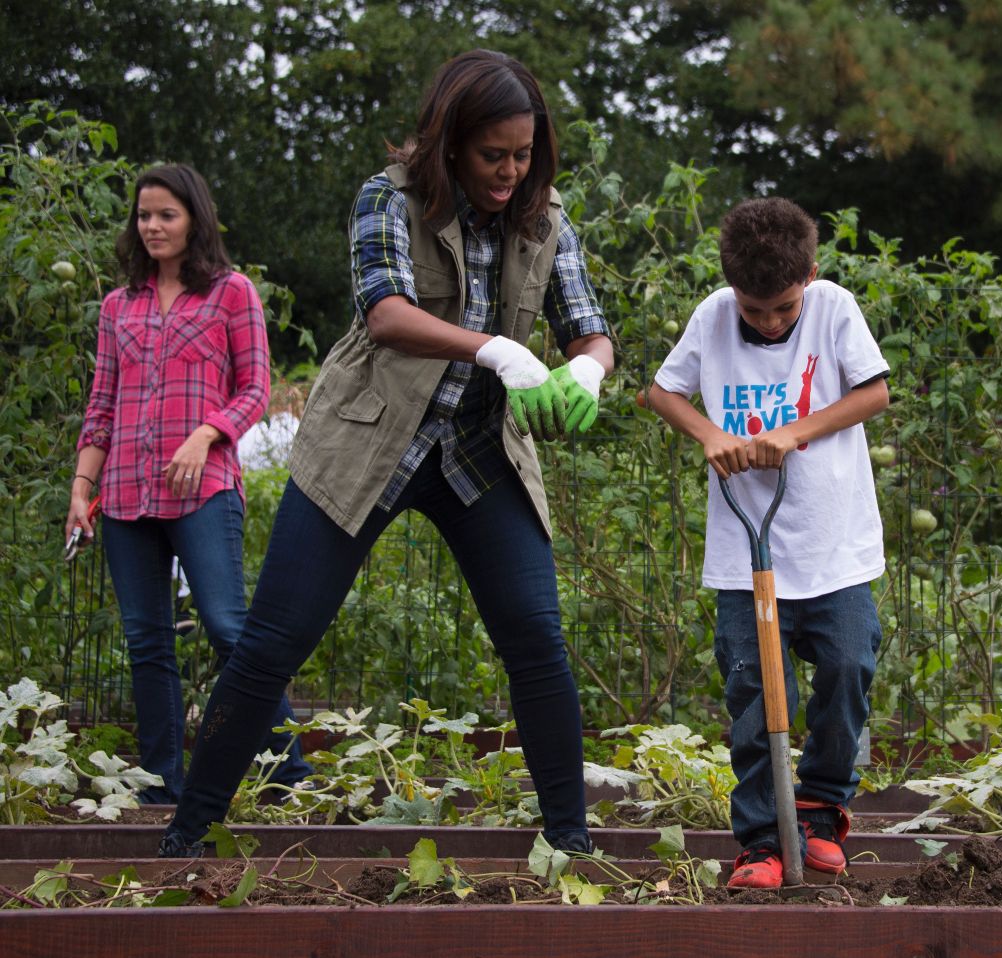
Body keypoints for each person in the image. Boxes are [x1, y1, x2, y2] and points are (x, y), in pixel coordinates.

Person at [157, 49, 613, 856]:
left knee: (536, 639)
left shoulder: (544, 216)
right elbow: (387, 314)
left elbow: (590, 327)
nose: (509, 172)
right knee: (273, 642)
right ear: (451, 141)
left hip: (478, 453)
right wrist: (497, 350)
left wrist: (587, 369)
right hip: (367, 442)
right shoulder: (388, 198)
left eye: (522, 154)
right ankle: (188, 834)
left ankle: (570, 844)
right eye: (493, 155)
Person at [647, 197, 889, 888]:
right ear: (732, 289)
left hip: (831, 546)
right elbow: (661, 393)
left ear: (809, 276)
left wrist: (792, 432)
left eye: (784, 308)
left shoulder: (834, 308)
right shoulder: (712, 317)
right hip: (743, 553)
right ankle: (760, 842)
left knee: (848, 664)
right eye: (755, 310)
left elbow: (874, 394)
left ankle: (819, 808)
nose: (771, 321)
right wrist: (710, 435)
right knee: (752, 695)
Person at [66, 164, 313, 804]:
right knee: (148, 644)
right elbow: (101, 407)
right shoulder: (118, 306)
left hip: (203, 491)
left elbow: (255, 389)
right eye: (144, 215)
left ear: (194, 219)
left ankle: (290, 775)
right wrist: (80, 490)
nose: (152, 226)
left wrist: (206, 434)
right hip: (124, 493)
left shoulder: (232, 293)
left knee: (228, 629)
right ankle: (160, 785)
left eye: (166, 215)